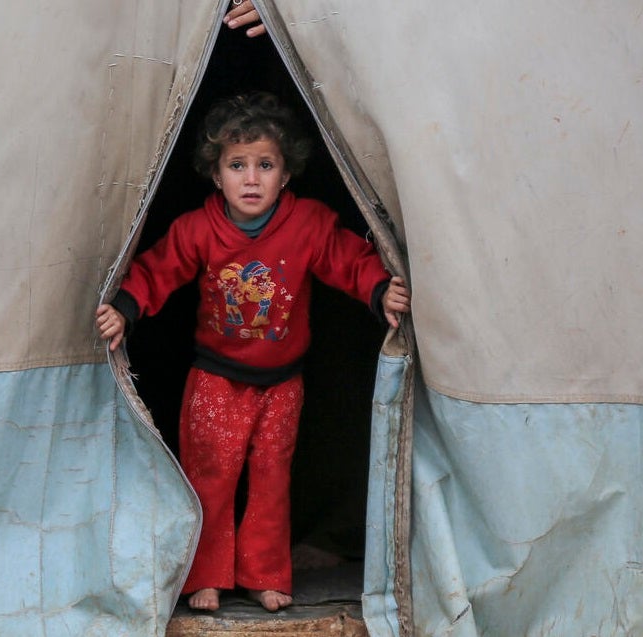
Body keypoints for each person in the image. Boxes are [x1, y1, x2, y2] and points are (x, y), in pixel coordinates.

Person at [95, 92, 410, 612]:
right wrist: (125, 308)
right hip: (216, 379)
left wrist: (379, 288)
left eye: (265, 165)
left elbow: (346, 256)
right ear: (215, 175)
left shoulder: (307, 223)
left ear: (286, 174)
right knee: (211, 477)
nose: (251, 178)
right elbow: (158, 267)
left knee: (270, 480)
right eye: (236, 165)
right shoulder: (199, 228)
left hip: (283, 381)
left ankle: (265, 574)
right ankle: (206, 577)